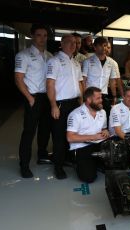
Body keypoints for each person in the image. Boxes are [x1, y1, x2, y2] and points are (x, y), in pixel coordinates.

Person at [15, 23, 53, 178]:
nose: (42, 38)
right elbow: (18, 79)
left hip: (47, 97)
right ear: (32, 36)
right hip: (33, 97)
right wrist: (30, 98)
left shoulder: (50, 56)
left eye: (45, 35)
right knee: (29, 132)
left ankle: (42, 155)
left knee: (45, 129)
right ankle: (24, 165)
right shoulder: (23, 55)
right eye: (39, 35)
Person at [46, 34, 83, 179]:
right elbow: (50, 84)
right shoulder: (54, 61)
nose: (73, 45)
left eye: (75, 43)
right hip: (61, 104)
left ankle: (67, 159)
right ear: (62, 43)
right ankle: (58, 167)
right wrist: (53, 105)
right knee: (59, 136)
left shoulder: (76, 63)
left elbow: (81, 83)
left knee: (72, 133)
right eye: (69, 42)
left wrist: (82, 102)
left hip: (75, 103)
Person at [67, 87, 109, 183]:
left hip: (99, 144)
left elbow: (104, 128)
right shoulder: (75, 114)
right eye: (98, 98)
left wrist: (105, 131)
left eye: (101, 98)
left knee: (115, 164)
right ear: (89, 100)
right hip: (82, 146)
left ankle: (95, 162)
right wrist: (93, 137)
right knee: (88, 178)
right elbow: (70, 137)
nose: (101, 101)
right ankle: (78, 162)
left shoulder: (102, 112)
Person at [82, 37, 120, 117]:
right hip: (90, 96)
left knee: (105, 118)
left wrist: (114, 96)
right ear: (95, 47)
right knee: (91, 117)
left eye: (105, 45)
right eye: (101, 45)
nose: (104, 48)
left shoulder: (111, 62)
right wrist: (85, 98)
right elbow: (83, 81)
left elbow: (112, 81)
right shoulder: (87, 61)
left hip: (103, 96)